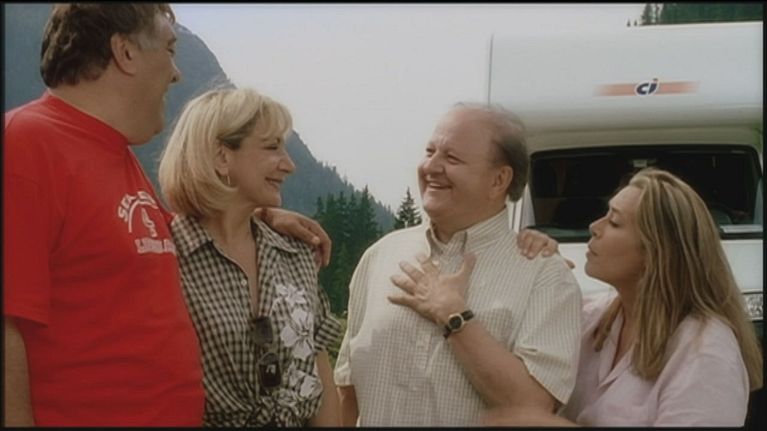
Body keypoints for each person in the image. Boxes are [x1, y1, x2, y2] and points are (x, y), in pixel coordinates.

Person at [3, 4, 331, 426]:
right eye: (170, 50)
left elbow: (166, 234)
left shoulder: (114, 154)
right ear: (125, 53)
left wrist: (263, 215)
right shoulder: (27, 143)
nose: (176, 73)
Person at [333, 103, 582, 426]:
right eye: (429, 151)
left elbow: (533, 408)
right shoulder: (380, 256)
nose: (430, 166)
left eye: (451, 158)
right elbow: (348, 391)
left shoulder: (545, 275)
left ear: (499, 180)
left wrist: (454, 316)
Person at [483, 168, 763, 427]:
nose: (594, 226)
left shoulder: (707, 353)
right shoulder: (591, 317)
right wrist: (538, 275)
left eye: (615, 222)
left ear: (656, 253)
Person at [157, 87, 342, 427]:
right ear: (221, 157)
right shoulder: (164, 256)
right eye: (272, 147)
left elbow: (321, 377)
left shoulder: (295, 253)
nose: (289, 165)